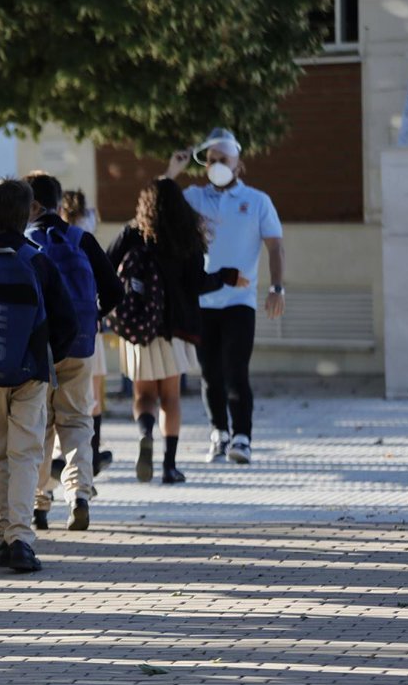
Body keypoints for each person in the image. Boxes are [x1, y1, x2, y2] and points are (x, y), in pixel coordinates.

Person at [0, 179, 78, 572]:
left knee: (0, 454)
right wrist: (47, 355)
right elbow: (67, 322)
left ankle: (3, 536)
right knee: (26, 454)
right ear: (26, 218)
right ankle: (21, 539)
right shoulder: (38, 260)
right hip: (31, 371)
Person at [106, 179, 247, 484]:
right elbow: (197, 283)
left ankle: (145, 434)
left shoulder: (133, 233)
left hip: (139, 328)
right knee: (170, 397)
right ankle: (169, 466)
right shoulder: (187, 236)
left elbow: (105, 266)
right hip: (175, 330)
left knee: (143, 394)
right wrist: (226, 277)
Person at [165, 128, 285, 465]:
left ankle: (242, 438)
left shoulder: (258, 201)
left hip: (239, 302)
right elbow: (157, 205)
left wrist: (277, 288)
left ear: (238, 165)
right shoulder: (193, 198)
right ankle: (219, 433)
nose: (217, 165)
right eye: (212, 160)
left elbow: (275, 245)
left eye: (223, 159)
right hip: (202, 301)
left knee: (236, 369)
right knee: (210, 373)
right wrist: (171, 172)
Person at [25, 172, 123, 531]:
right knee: (78, 421)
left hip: (38, 347)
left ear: (33, 206)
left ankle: (39, 503)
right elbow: (115, 290)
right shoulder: (81, 239)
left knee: (40, 423)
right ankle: (79, 494)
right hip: (81, 344)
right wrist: (92, 316)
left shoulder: (25, 241)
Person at [59, 190, 114, 475]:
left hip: (58, 329)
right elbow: (110, 286)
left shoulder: (52, 239)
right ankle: (90, 458)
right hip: (88, 327)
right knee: (92, 394)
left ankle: (57, 458)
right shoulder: (85, 240)